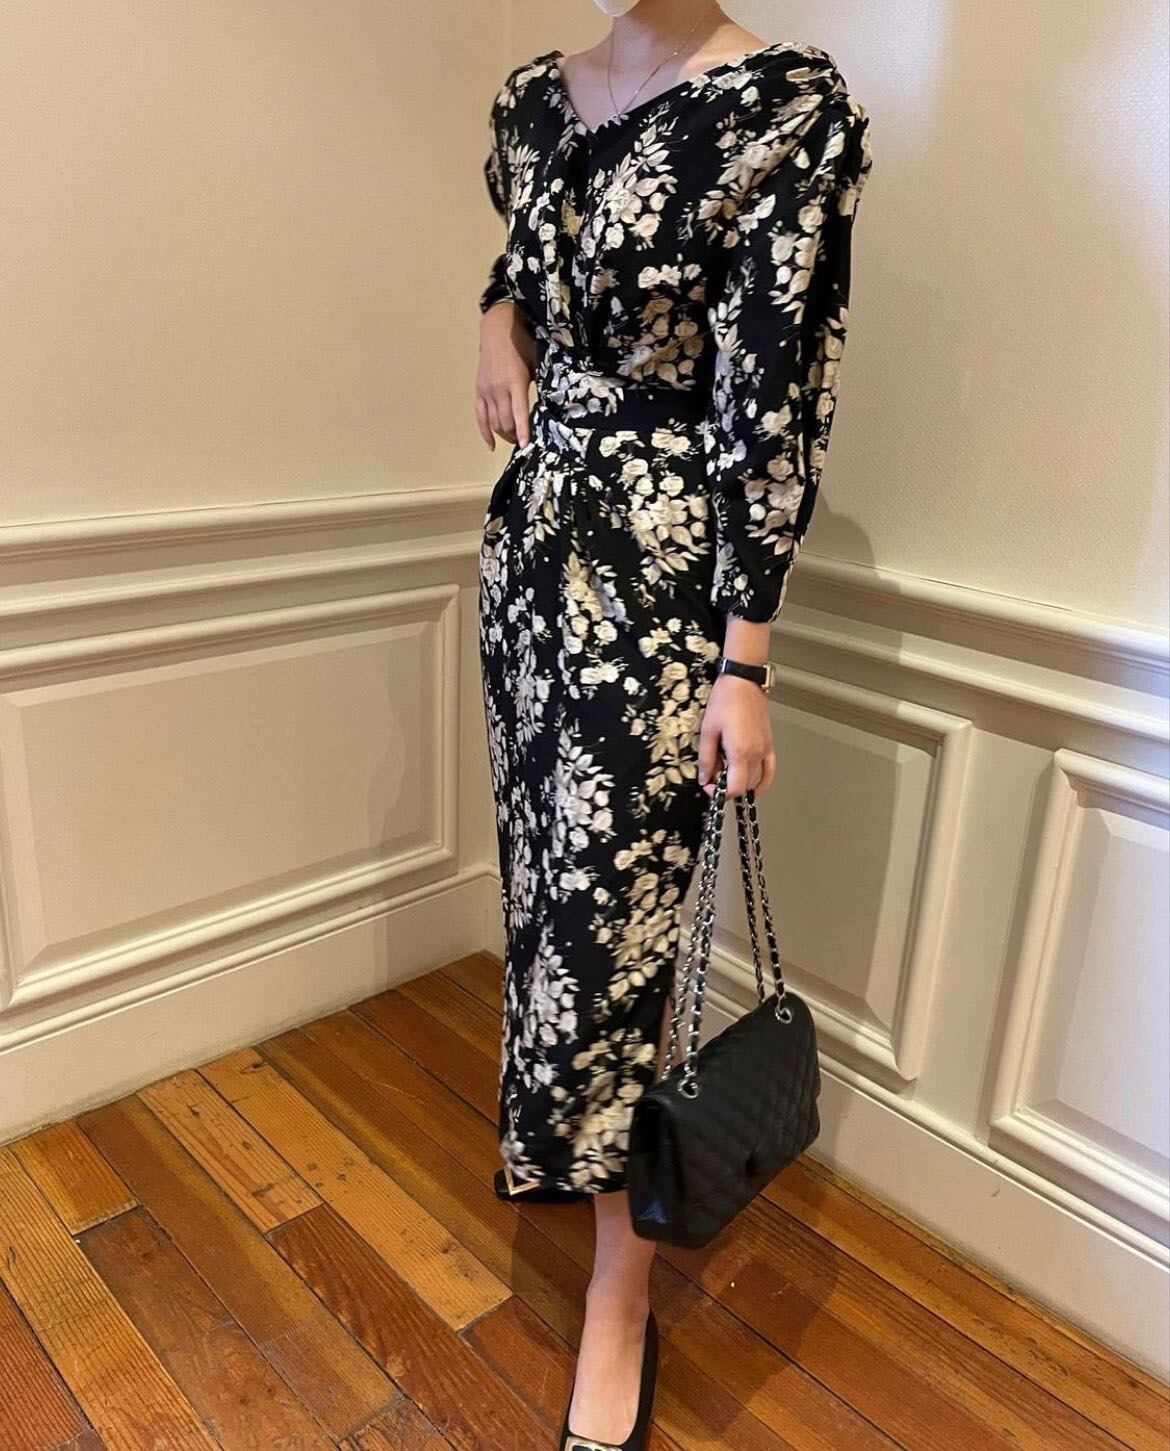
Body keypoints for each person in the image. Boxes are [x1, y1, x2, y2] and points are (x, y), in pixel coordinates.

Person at [473, 2, 872, 1444]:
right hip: (529, 558)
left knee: (619, 945)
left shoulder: (781, 107)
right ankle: (574, 1176)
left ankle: (619, 1299)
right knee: (547, 904)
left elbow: (775, 400)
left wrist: (743, 661)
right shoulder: (532, 99)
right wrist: (494, 313)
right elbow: (537, 250)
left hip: (661, 592)